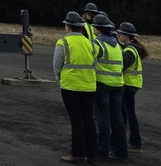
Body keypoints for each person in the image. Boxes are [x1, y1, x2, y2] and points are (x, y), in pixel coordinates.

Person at [53, 10, 97, 164]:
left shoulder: (63, 42)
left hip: (70, 86)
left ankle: (77, 153)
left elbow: (57, 65)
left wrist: (60, 79)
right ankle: (92, 153)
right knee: (88, 119)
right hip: (89, 86)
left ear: (69, 26)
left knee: (76, 121)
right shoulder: (90, 43)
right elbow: (94, 64)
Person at [91, 14, 128, 161]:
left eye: (94, 26)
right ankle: (121, 152)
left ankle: (103, 152)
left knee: (103, 119)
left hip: (102, 85)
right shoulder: (117, 45)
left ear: (98, 29)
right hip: (118, 85)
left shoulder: (97, 44)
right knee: (117, 118)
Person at [116, 22, 148, 152]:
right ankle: (125, 140)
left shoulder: (129, 50)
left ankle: (135, 143)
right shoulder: (132, 49)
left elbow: (121, 65)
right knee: (125, 113)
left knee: (128, 113)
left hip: (128, 84)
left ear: (127, 36)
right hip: (132, 84)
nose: (118, 35)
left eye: (120, 33)